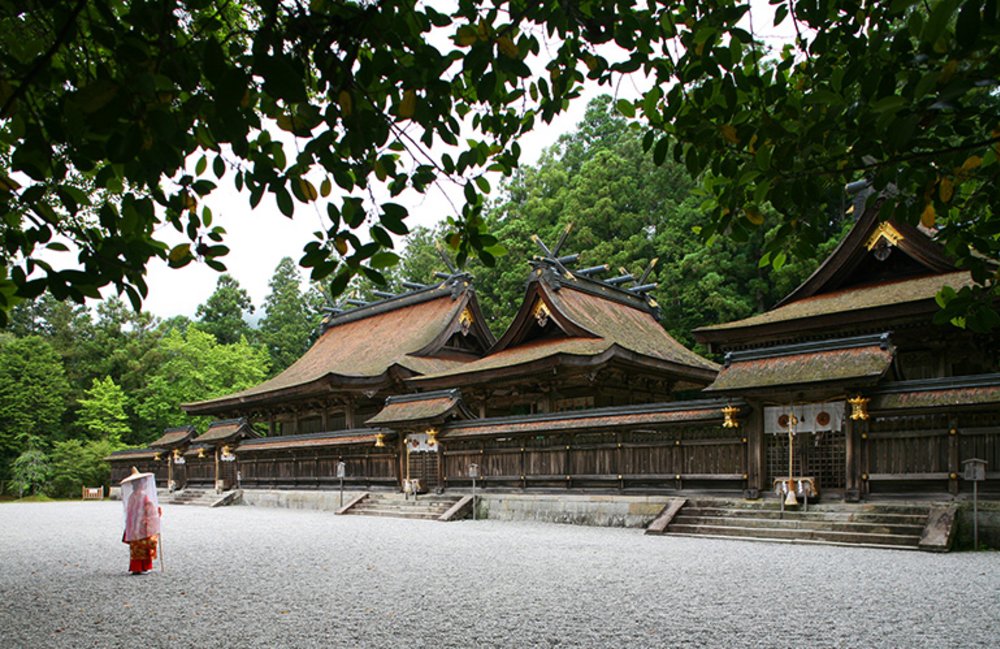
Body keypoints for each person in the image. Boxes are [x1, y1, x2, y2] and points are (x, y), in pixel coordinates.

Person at [120, 467, 162, 575]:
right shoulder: (144, 496)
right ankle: (144, 566)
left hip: (134, 526)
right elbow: (150, 510)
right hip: (142, 525)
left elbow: (129, 512)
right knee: (144, 546)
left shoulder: (131, 496)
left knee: (136, 547)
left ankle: (136, 567)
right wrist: (157, 513)